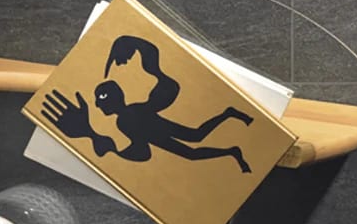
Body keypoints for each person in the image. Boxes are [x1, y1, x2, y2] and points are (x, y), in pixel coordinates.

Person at [41, 35, 253, 173]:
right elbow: (142, 151)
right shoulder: (124, 121)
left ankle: (229, 116)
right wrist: (96, 138)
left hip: (160, 133)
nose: (98, 105)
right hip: (158, 138)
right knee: (193, 149)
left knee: (195, 138)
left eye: (101, 99)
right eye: (97, 101)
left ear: (115, 97)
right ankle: (232, 147)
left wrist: (98, 139)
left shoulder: (128, 117)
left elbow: (141, 150)